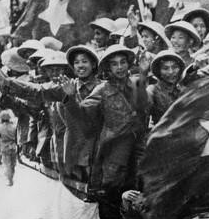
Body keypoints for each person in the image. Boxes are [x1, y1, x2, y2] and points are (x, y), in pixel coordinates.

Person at [61, 44, 148, 195]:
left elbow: (145, 106)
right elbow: (83, 115)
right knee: (112, 192)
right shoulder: (102, 90)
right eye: (114, 64)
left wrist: (144, 72)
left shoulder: (137, 84)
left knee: (140, 190)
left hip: (139, 148)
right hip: (114, 151)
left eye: (123, 62)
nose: (119, 67)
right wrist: (70, 98)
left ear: (128, 64)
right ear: (108, 67)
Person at [146, 50, 185, 125]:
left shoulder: (183, 89)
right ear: (159, 71)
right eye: (165, 68)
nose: (171, 72)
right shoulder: (152, 90)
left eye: (175, 67)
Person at [0, 110, 18, 186]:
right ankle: (11, 177)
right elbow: (17, 138)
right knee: (13, 164)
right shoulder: (14, 127)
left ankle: (9, 179)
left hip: (4, 147)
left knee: (7, 164)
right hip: (13, 146)